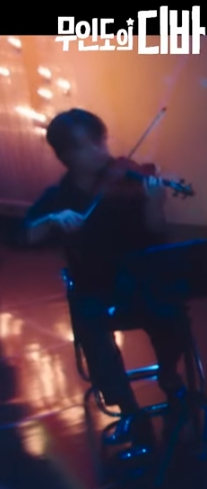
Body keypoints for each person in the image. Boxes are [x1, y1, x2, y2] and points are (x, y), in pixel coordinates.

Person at [23, 109, 187, 458]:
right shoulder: (59, 196)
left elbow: (156, 233)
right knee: (90, 325)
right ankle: (130, 411)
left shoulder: (129, 180)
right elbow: (26, 233)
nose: (102, 150)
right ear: (67, 156)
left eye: (101, 140)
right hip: (94, 286)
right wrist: (52, 220)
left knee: (171, 307)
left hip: (140, 279)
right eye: (89, 145)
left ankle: (170, 378)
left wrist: (155, 204)